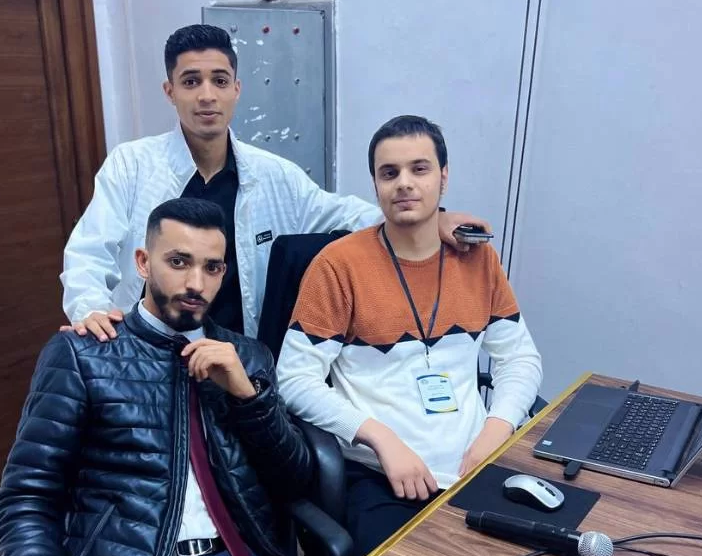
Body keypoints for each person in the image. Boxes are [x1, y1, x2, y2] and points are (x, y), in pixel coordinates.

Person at [0, 198, 319, 556]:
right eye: (178, 261)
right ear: (143, 262)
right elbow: (26, 495)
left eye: (211, 267)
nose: (195, 283)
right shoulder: (85, 353)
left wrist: (248, 395)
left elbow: (295, 480)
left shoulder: (245, 356)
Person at [61, 23, 487, 342]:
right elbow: (88, 251)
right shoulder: (132, 165)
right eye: (191, 82)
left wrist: (433, 220)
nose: (207, 95)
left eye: (219, 81)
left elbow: (345, 214)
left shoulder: (272, 175)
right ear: (170, 91)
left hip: (236, 360)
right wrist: (90, 310)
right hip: (148, 353)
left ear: (237, 89)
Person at [277, 115, 542, 556]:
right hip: (382, 477)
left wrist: (497, 430)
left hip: (476, 464)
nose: (404, 183)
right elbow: (293, 379)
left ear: (443, 177)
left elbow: (519, 358)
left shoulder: (479, 260)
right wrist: (381, 440)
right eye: (389, 173)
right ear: (375, 185)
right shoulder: (338, 266)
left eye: (419, 169)